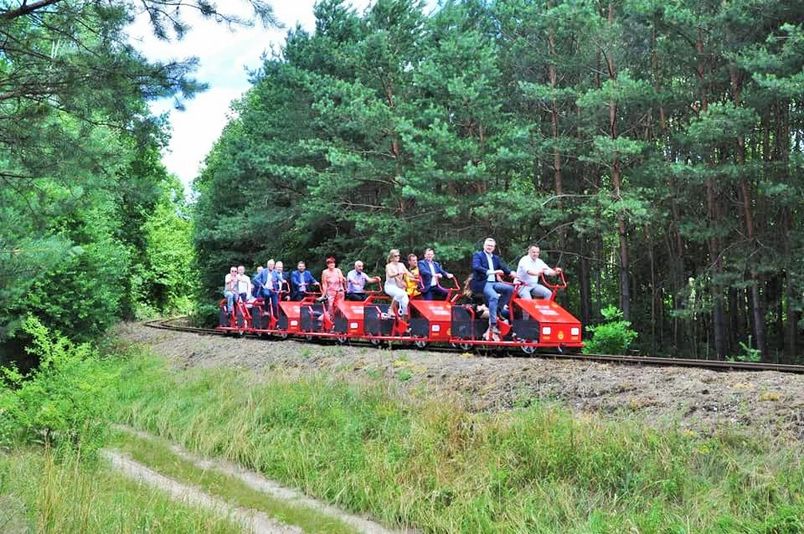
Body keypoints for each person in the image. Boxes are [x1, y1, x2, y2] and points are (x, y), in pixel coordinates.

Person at [471, 238, 515, 337]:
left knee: (509, 289)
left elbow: (503, 268)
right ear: (484, 246)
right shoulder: (478, 255)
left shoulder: (495, 258)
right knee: (494, 296)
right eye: (488, 245)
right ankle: (493, 324)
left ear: (494, 247)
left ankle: (498, 311)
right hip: (482, 283)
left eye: (491, 246)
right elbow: (476, 267)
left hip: (493, 283)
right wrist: (493, 272)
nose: (489, 247)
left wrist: (512, 273)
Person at [384, 249, 411, 319]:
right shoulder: (388, 266)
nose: (397, 257)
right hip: (389, 286)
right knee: (400, 293)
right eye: (395, 256)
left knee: (406, 302)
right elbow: (390, 275)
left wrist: (415, 277)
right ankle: (391, 309)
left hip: (398, 287)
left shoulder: (401, 265)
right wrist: (398, 273)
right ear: (391, 257)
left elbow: (408, 273)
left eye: (398, 256)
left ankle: (403, 324)